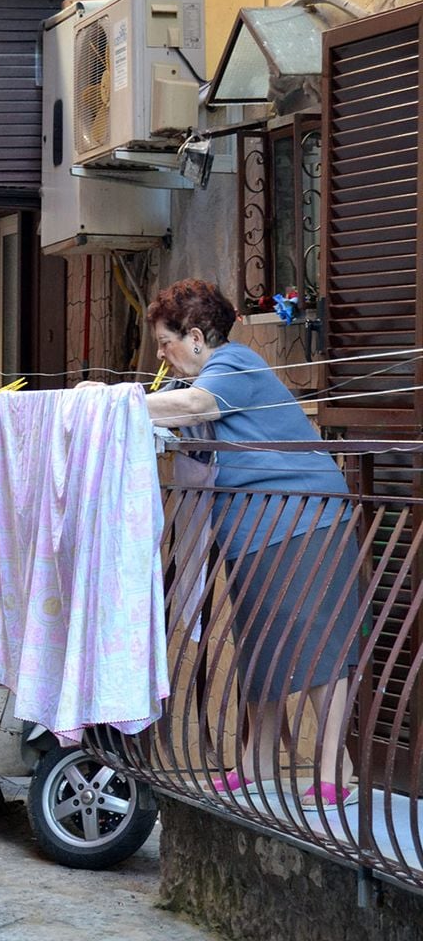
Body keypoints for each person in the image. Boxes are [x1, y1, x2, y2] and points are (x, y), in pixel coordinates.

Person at [143, 278, 359, 811]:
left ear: (195, 337)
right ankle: (258, 762)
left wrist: (112, 404)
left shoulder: (233, 365)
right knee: (262, 648)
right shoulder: (202, 377)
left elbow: (194, 405)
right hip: (257, 526)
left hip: (304, 521)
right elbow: (172, 408)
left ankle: (338, 766)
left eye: (166, 343)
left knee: (316, 649)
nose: (161, 356)